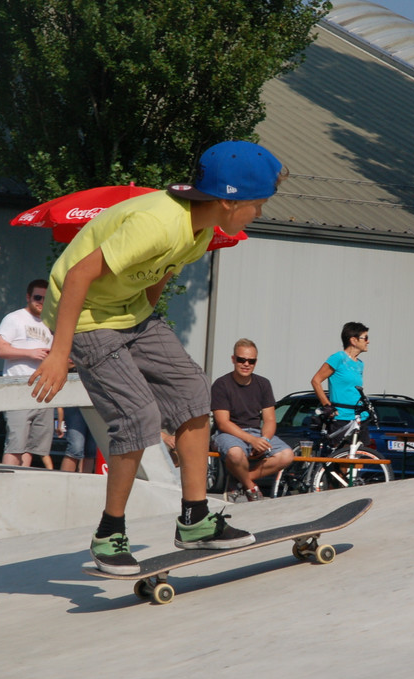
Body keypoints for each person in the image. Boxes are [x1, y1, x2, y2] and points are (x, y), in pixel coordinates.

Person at [30, 141, 284, 575]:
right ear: (228, 201)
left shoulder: (200, 231)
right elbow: (78, 274)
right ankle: (109, 534)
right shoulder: (158, 224)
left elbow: (159, 275)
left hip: (129, 313)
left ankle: (195, 519)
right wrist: (59, 352)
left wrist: (144, 328)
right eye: (256, 205)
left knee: (193, 388)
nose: (258, 213)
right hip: (86, 316)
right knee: (138, 414)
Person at [211, 339, 294, 501]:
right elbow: (223, 423)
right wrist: (252, 440)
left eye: (251, 361)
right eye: (241, 359)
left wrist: (264, 440)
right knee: (235, 453)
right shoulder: (221, 384)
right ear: (233, 359)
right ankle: (250, 487)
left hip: (256, 433)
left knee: (287, 455)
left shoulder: (263, 384)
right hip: (227, 434)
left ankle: (240, 479)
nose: (246, 364)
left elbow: (270, 420)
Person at [0, 279, 58, 468]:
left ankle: (22, 480)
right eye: (38, 297)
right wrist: (30, 353)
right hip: (18, 389)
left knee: (32, 447)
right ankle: (7, 481)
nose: (42, 302)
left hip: (42, 389)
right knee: (15, 444)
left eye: (46, 299)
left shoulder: (50, 323)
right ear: (28, 297)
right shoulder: (14, 318)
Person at [311, 322, 371, 444]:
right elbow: (316, 381)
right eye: (365, 338)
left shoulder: (360, 364)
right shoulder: (338, 358)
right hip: (342, 417)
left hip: (359, 417)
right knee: (343, 454)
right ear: (353, 340)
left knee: (361, 454)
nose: (368, 341)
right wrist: (327, 406)